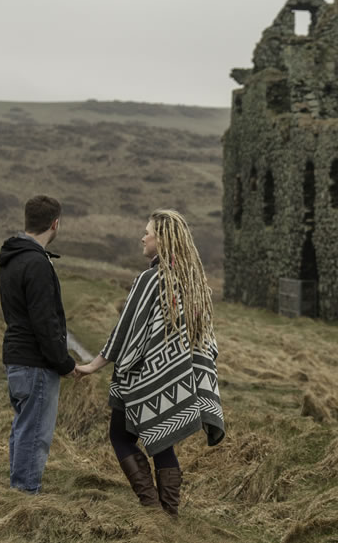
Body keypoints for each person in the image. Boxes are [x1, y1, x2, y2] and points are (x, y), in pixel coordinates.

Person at [76, 209, 225, 515]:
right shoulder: (194, 282)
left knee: (120, 436)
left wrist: (94, 365)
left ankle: (153, 508)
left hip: (142, 378)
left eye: (148, 232)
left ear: (163, 240)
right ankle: (168, 514)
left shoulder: (150, 280)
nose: (142, 237)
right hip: (178, 380)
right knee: (162, 442)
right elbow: (204, 342)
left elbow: (126, 330)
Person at [0, 195, 79, 494]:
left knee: (23, 427)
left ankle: (17, 491)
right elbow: (45, 323)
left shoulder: (13, 258)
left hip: (16, 358)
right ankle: (25, 496)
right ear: (55, 224)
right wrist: (64, 363)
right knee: (35, 433)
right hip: (35, 363)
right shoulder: (36, 263)